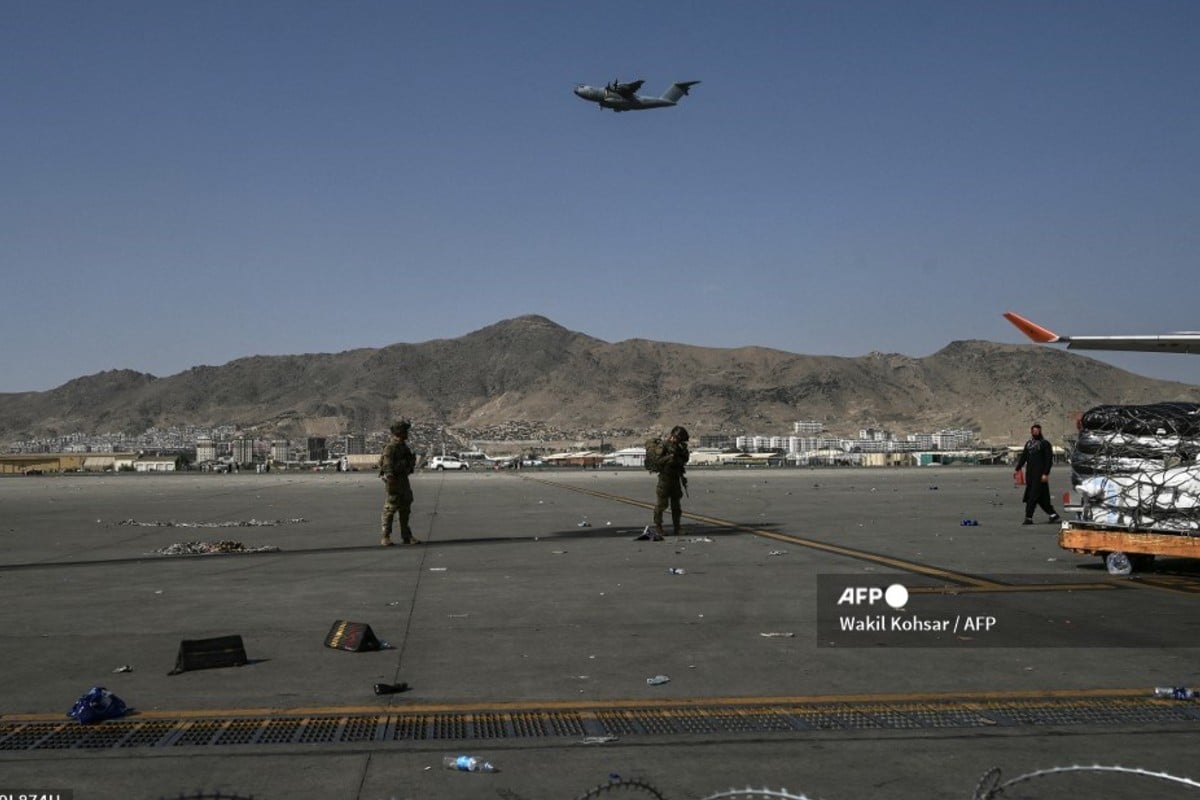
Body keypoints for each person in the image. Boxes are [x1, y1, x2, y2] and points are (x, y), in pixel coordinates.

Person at [644, 425, 690, 541]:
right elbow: (658, 461)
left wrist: (679, 457)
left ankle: (677, 527)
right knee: (661, 505)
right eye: (675, 437)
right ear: (672, 435)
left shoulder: (680, 447)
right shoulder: (663, 446)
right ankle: (658, 527)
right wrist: (670, 458)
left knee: (676, 506)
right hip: (665, 479)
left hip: (675, 479)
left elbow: (685, 459)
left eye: (678, 438)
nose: (676, 440)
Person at [379, 420, 420, 546]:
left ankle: (406, 535)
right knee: (390, 508)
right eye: (405, 431)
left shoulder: (404, 447)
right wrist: (391, 481)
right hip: (395, 481)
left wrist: (410, 464)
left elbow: (408, 463)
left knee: (405, 508)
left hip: (403, 480)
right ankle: (385, 536)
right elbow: (387, 466)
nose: (407, 434)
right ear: (399, 432)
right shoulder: (391, 448)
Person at [1013, 423, 1061, 525]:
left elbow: (1049, 460)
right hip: (1030, 475)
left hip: (1040, 475)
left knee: (1032, 496)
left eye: (1037, 431)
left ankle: (1028, 518)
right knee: (1041, 498)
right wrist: (1017, 469)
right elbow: (1024, 457)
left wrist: (1045, 473)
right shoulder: (1029, 444)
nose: (1035, 432)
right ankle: (1053, 515)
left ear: (1040, 431)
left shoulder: (1045, 444)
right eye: (1034, 431)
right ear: (1031, 432)